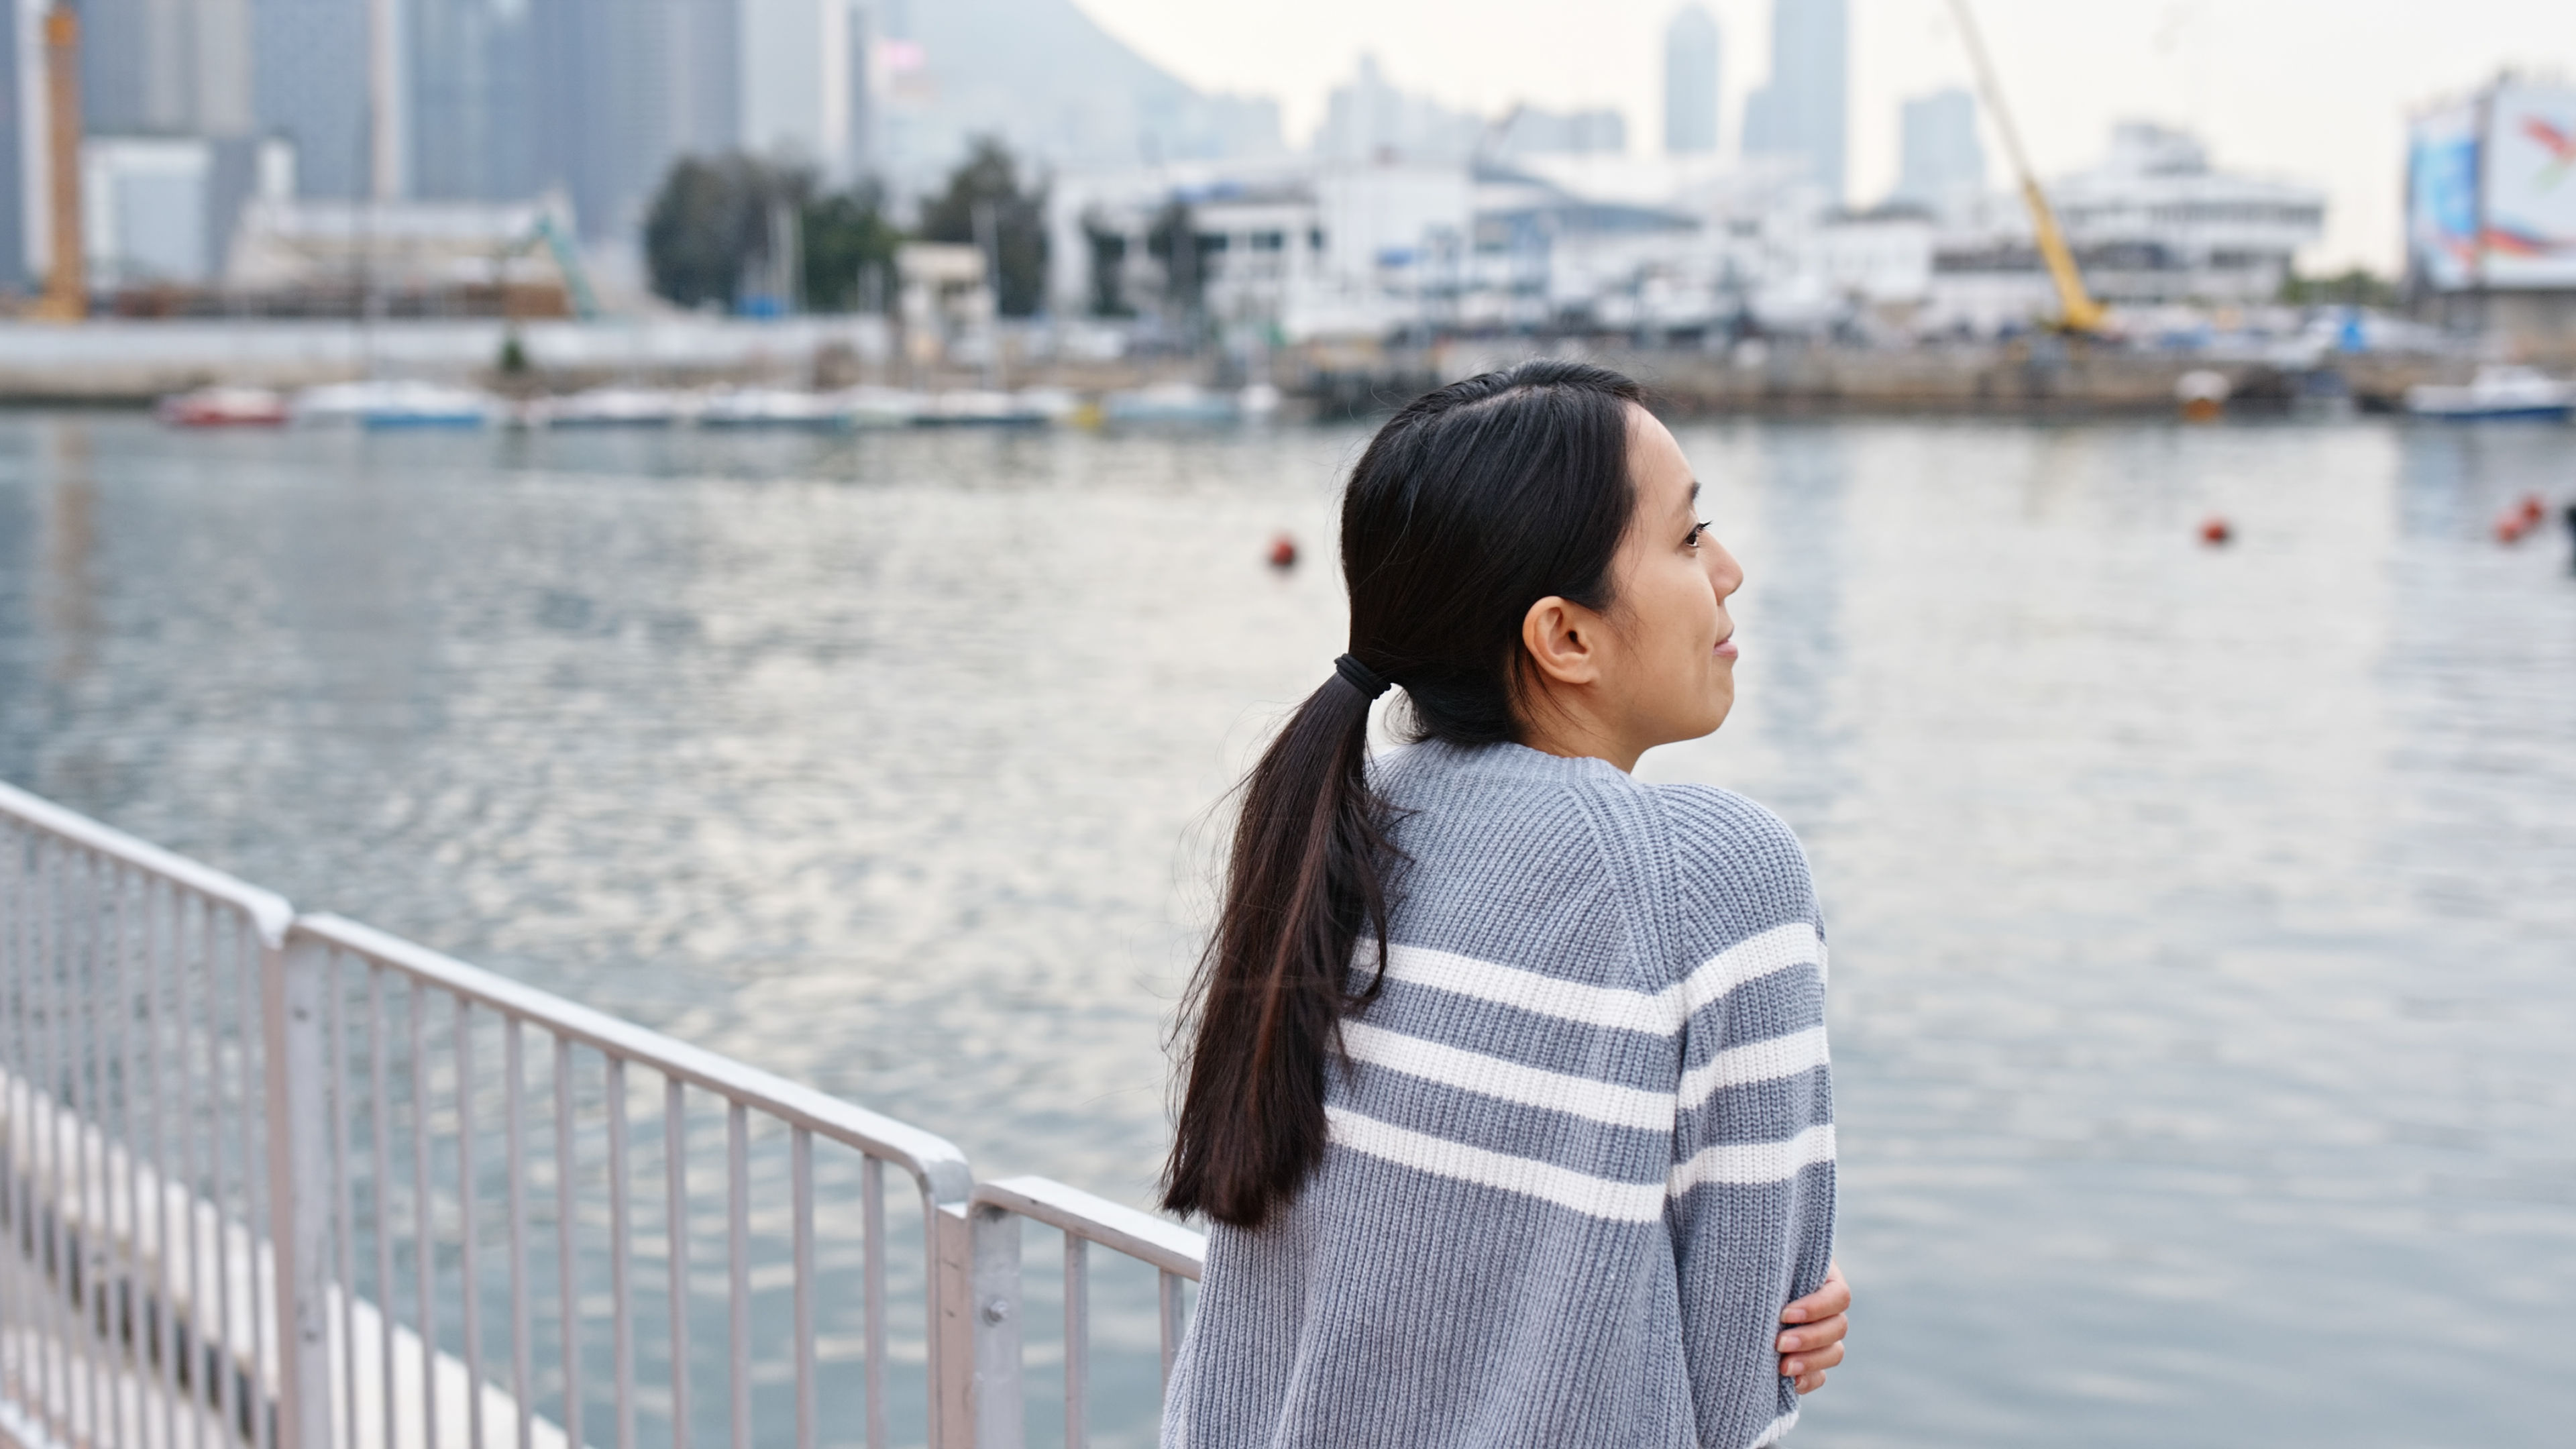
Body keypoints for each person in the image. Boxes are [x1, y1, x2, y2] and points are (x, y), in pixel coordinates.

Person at [1161, 361, 1847, 1448]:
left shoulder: (1332, 824)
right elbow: (1737, 1381)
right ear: (1564, 637)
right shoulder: (1714, 878)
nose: (1730, 570)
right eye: (1685, 537)